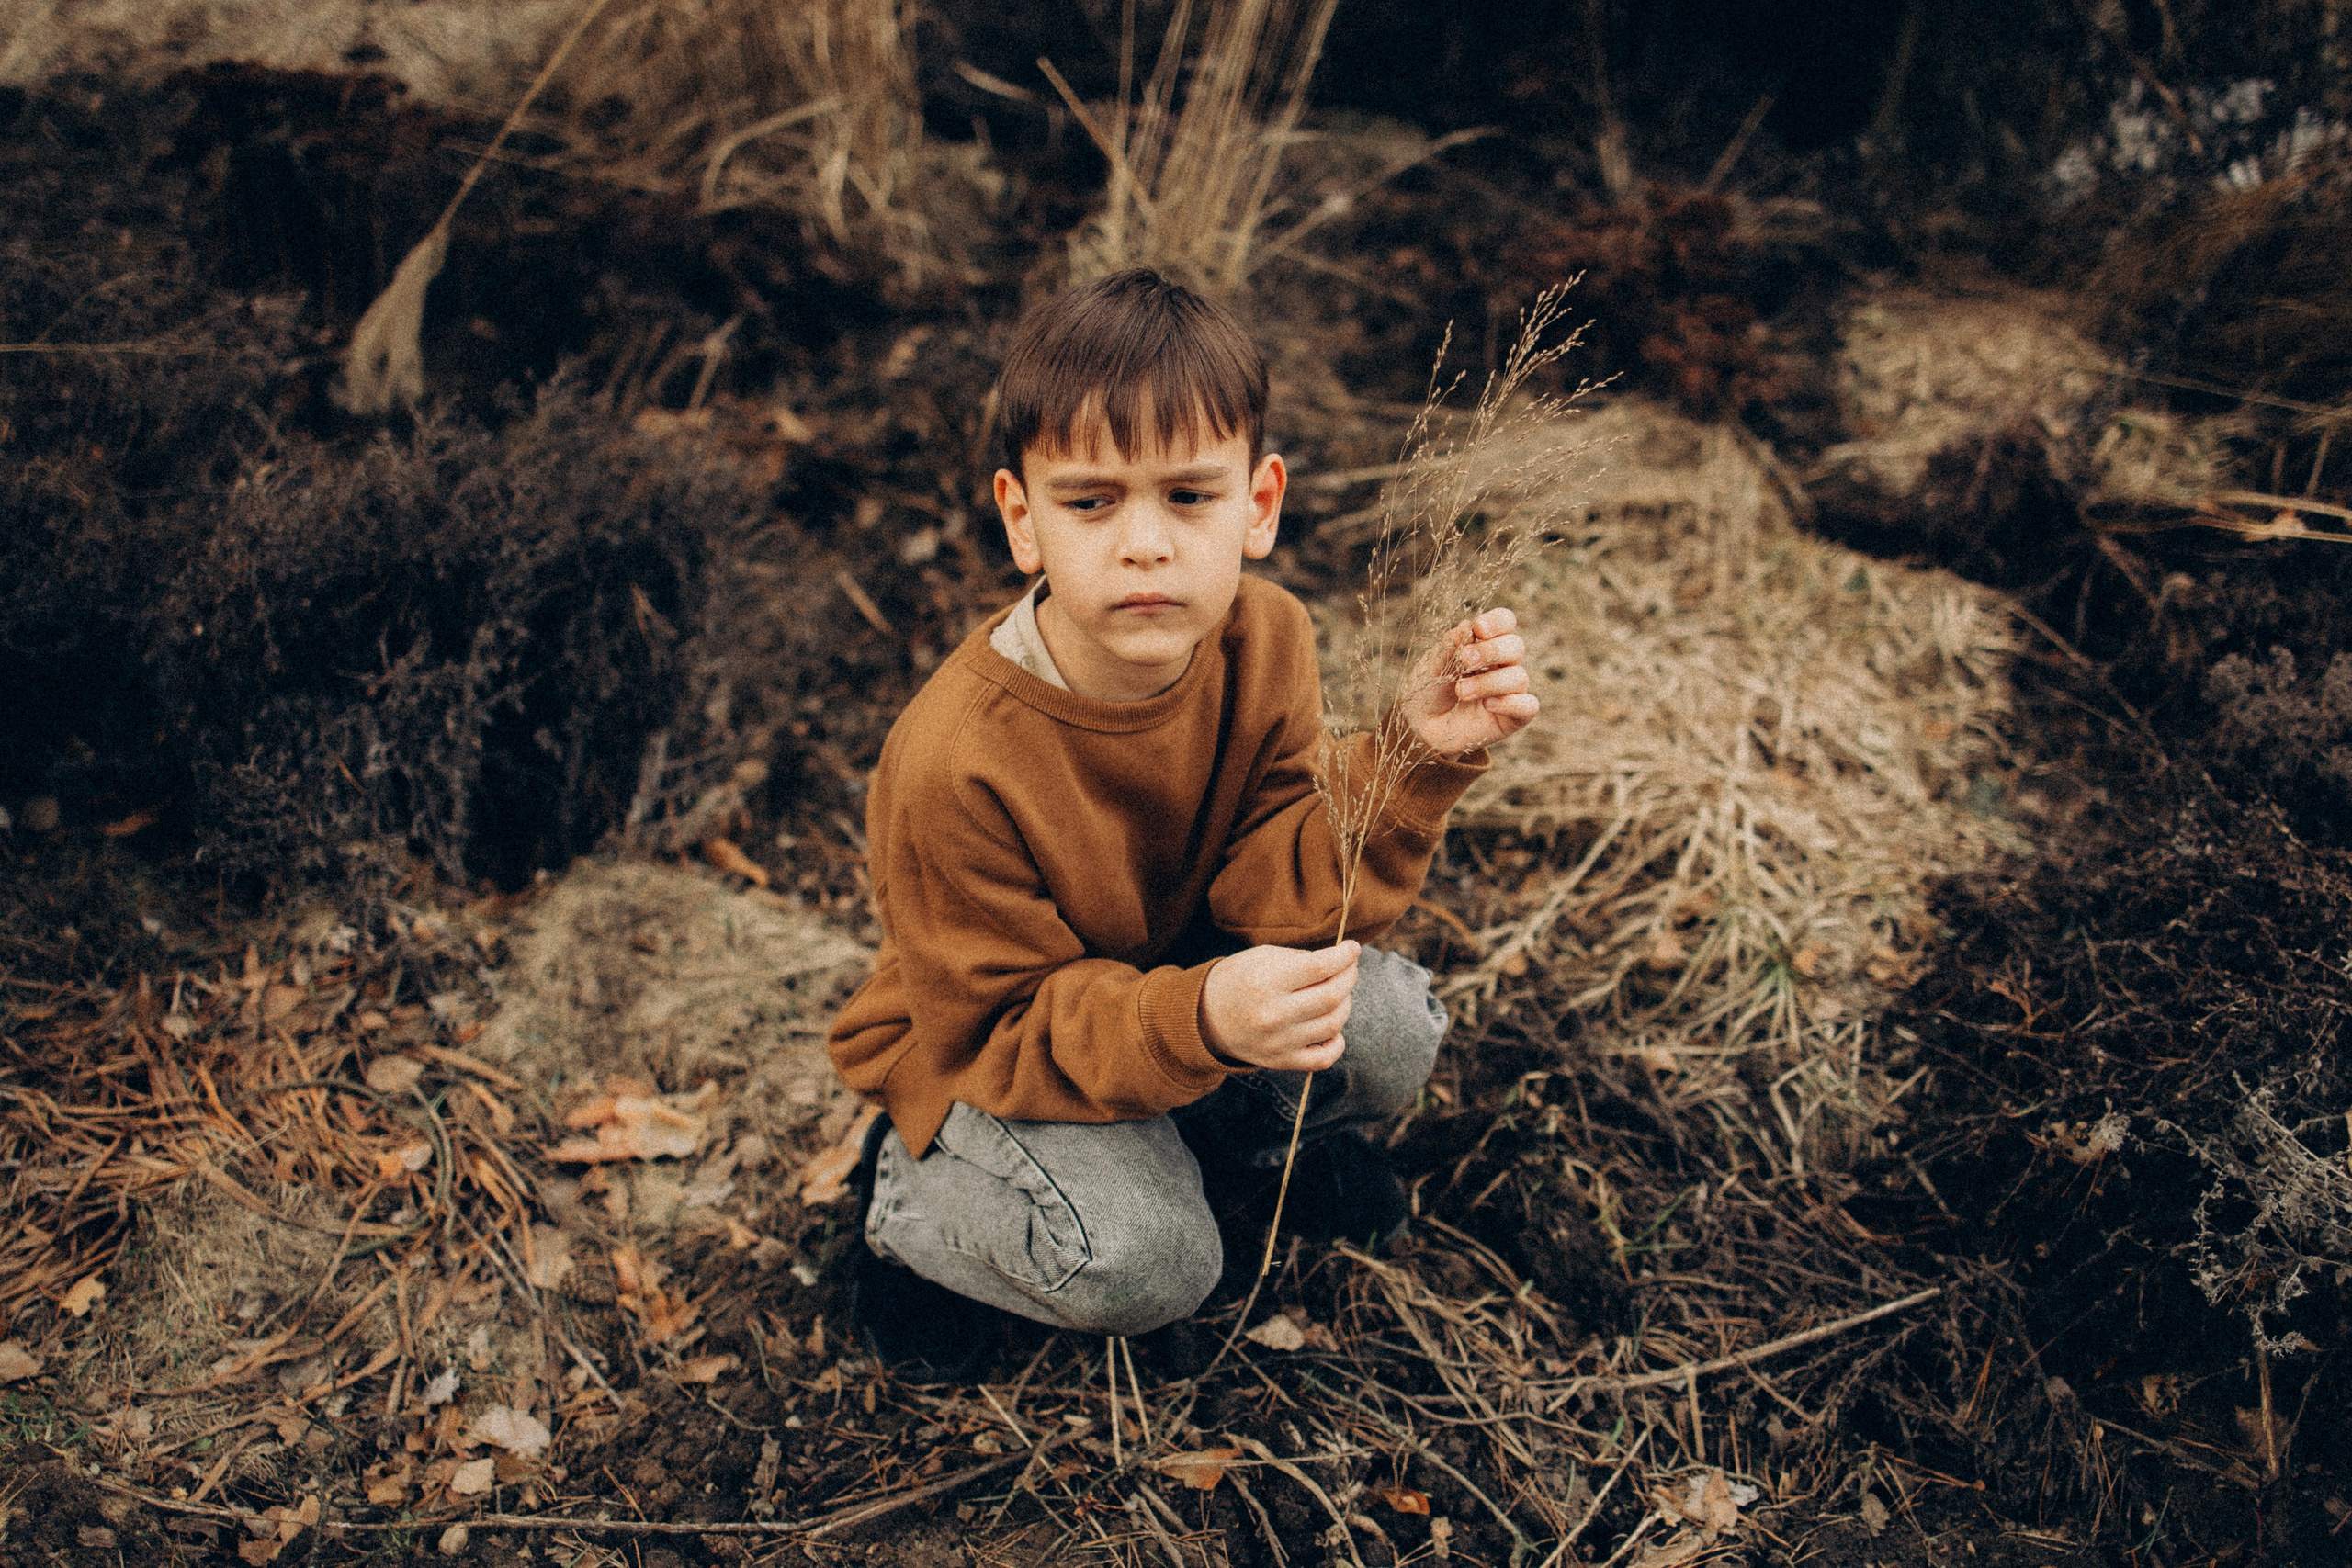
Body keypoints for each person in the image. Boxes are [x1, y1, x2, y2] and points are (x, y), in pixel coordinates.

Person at [825, 267, 1539, 1378]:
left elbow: (1266, 886)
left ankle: (1215, 1149)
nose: (1145, 544)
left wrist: (1405, 762)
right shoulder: (954, 757)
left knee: (1392, 1028)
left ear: (1257, 505)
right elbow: (999, 1021)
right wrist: (1203, 1020)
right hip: (989, 1052)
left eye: (1189, 496)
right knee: (1151, 1264)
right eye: (1092, 501)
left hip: (1159, 997)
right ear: (1024, 521)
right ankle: (910, 1212)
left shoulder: (1267, 639)